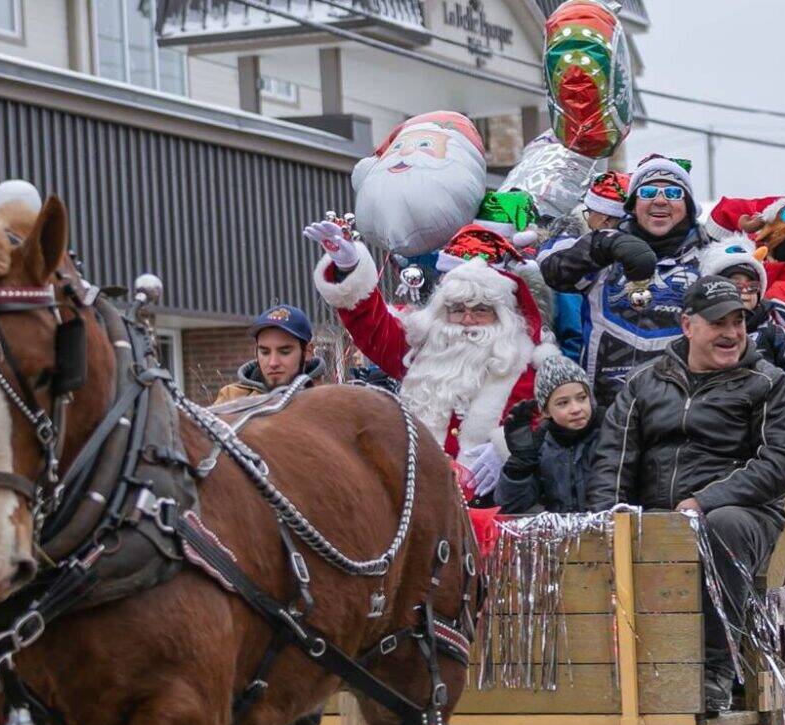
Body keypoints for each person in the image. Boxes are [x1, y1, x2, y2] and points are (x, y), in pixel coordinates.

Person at [587, 276, 785, 711]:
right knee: (597, 531)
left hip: (740, 514)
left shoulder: (768, 384)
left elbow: (780, 463)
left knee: (719, 526)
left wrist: (704, 500)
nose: (730, 333)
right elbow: (614, 458)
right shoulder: (645, 383)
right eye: (717, 322)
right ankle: (601, 673)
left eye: (738, 322)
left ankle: (713, 671)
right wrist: (608, 518)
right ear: (688, 326)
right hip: (656, 515)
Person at [308, 219, 557, 500]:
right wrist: (348, 266)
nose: (467, 320)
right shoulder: (422, 347)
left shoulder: (528, 361)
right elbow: (372, 325)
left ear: (502, 314)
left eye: (481, 310)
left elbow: (557, 420)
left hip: (499, 500)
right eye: (457, 309)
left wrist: (508, 449)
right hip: (422, 498)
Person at [539, 154, 710, 406]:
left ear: (688, 206)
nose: (660, 200)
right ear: (632, 204)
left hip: (685, 415)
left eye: (673, 193)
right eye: (648, 192)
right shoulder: (605, 251)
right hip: (607, 416)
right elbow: (552, 271)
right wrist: (602, 244)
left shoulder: (710, 258)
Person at [702, 236, 785, 404]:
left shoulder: (776, 334)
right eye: (736, 285)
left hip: (763, 417)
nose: (746, 291)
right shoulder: (701, 330)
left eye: (752, 286)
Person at [495, 354, 601, 514]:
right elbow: (510, 506)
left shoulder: (608, 435)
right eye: (563, 403)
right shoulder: (540, 446)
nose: (576, 409)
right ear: (545, 410)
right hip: (557, 535)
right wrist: (520, 465)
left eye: (581, 398)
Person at [553, 170, 630, 362]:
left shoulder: (583, 263)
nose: (587, 220)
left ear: (604, 219)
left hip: (597, 374)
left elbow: (574, 334)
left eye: (589, 213)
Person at [213, 304, 323, 404]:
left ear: (307, 352)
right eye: (265, 352)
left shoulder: (327, 400)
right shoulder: (231, 398)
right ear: (256, 352)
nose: (273, 363)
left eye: (284, 351)